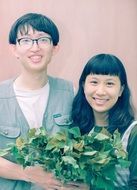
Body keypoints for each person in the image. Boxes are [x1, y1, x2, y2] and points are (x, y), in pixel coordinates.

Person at [0, 13, 88, 190]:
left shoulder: (70, 92)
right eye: (25, 40)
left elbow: (85, 145)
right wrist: (28, 173)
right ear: (14, 49)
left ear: (55, 48)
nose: (35, 47)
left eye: (43, 39)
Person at [71, 53, 137, 189]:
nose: (100, 91)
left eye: (110, 83)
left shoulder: (132, 133)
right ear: (83, 86)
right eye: (94, 82)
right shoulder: (77, 129)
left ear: (121, 90)